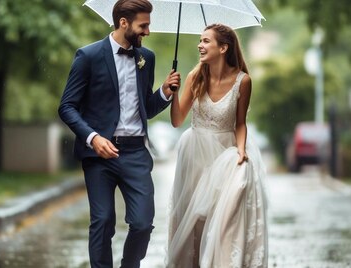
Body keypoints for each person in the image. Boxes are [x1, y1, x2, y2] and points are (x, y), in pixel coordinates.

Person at [58, 0, 181, 267]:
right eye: (143, 25)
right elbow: (67, 106)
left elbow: (145, 109)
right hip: (99, 154)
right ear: (123, 23)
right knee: (102, 221)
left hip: (136, 152)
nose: (147, 31)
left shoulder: (146, 58)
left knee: (142, 223)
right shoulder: (88, 56)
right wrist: (93, 138)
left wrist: (164, 92)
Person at [166, 24, 268, 267]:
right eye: (200, 41)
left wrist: (241, 149)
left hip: (224, 153)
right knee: (194, 219)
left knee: (222, 217)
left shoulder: (243, 81)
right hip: (195, 154)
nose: (200, 45)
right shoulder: (195, 76)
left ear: (223, 48)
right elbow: (177, 120)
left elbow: (240, 124)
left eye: (205, 41)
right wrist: (174, 94)